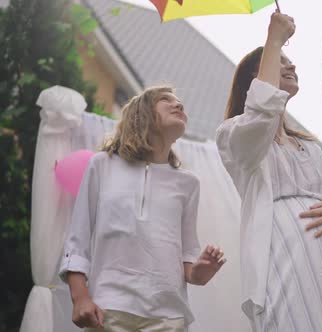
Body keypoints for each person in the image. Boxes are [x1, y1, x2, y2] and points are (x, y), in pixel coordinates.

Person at [216, 11, 322, 332]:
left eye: (289, 59)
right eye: (280, 60)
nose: (291, 65)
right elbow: (259, 118)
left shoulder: (308, 148)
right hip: (282, 258)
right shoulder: (233, 134)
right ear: (255, 79)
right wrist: (273, 39)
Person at [59, 85, 226, 331]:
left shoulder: (188, 183)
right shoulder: (101, 165)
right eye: (166, 100)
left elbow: (188, 258)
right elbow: (77, 240)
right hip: (108, 311)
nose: (178, 105)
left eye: (180, 102)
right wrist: (80, 297)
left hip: (169, 318)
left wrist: (201, 271)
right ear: (142, 113)